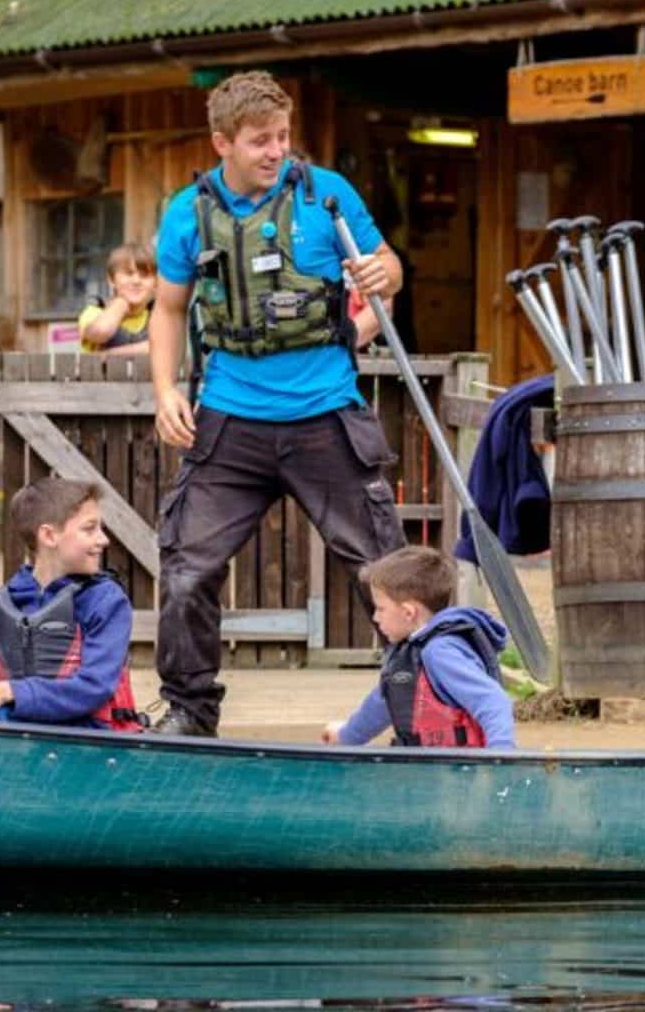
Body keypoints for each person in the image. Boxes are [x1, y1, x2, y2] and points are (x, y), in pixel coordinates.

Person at [148, 70, 405, 737]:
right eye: (261, 140)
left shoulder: (327, 197)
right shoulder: (187, 212)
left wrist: (385, 275)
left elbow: (387, 271)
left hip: (325, 413)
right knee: (185, 570)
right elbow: (168, 310)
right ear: (222, 143)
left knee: (388, 570)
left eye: (284, 138)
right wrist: (166, 388)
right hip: (232, 418)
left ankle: (424, 706)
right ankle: (190, 713)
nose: (276, 152)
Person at [0, 477, 140, 731]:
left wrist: (9, 691)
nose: (103, 539)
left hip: (93, 736)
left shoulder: (107, 601)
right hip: (18, 732)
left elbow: (94, 688)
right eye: (90, 529)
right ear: (48, 535)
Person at [322, 546, 514, 749]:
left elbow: (493, 701)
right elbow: (383, 704)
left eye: (380, 608)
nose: (376, 618)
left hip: (458, 773)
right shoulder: (408, 654)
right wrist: (345, 736)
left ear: (408, 613)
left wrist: (501, 756)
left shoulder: (440, 652)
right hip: (428, 770)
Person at [79, 243, 156, 356]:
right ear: (111, 280)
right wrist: (121, 305)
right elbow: (100, 332)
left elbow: (166, 349)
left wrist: (109, 354)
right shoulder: (94, 311)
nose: (136, 281)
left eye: (144, 276)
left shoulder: (157, 316)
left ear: (156, 283)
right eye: (129, 274)